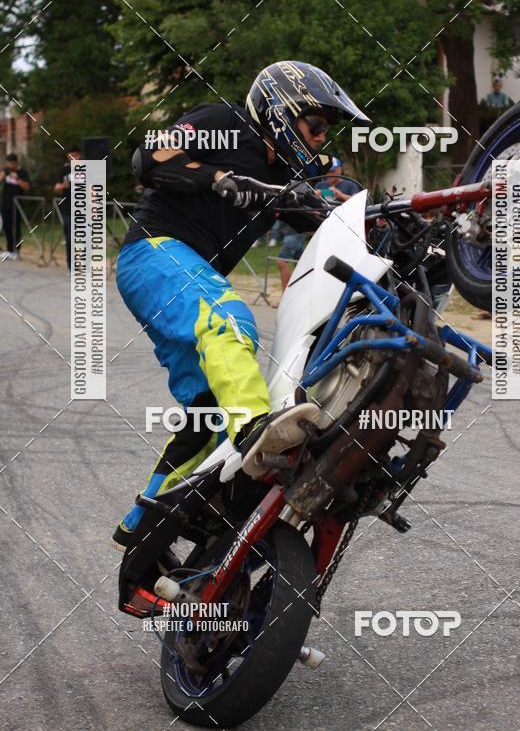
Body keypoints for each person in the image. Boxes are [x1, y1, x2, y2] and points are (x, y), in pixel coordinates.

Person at [112, 60, 369, 557]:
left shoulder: (281, 178)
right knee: (231, 319)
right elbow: (148, 158)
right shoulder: (225, 124)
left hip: (185, 277)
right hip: (154, 254)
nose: (319, 139)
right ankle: (257, 431)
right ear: (282, 109)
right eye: (315, 126)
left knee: (206, 415)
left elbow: (328, 221)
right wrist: (222, 179)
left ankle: (142, 526)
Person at [54, 144, 81, 270]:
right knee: (70, 238)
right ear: (68, 156)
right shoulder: (63, 170)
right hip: (67, 207)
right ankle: (71, 265)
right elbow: (57, 189)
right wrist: (62, 186)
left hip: (82, 207)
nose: (74, 157)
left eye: (76, 155)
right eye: (72, 155)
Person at [0, 153, 31, 260]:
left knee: (16, 228)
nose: (10, 165)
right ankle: (9, 250)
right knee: (6, 227)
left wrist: (17, 178)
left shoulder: (23, 172)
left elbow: (26, 187)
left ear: (16, 162)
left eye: (11, 163)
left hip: (17, 203)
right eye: (8, 163)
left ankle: (17, 251)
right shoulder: (6, 170)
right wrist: (4, 174)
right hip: (6, 203)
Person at [276, 221, 306, 291]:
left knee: (281, 262)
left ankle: (285, 293)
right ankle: (300, 291)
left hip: (293, 234)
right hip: (295, 233)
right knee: (301, 264)